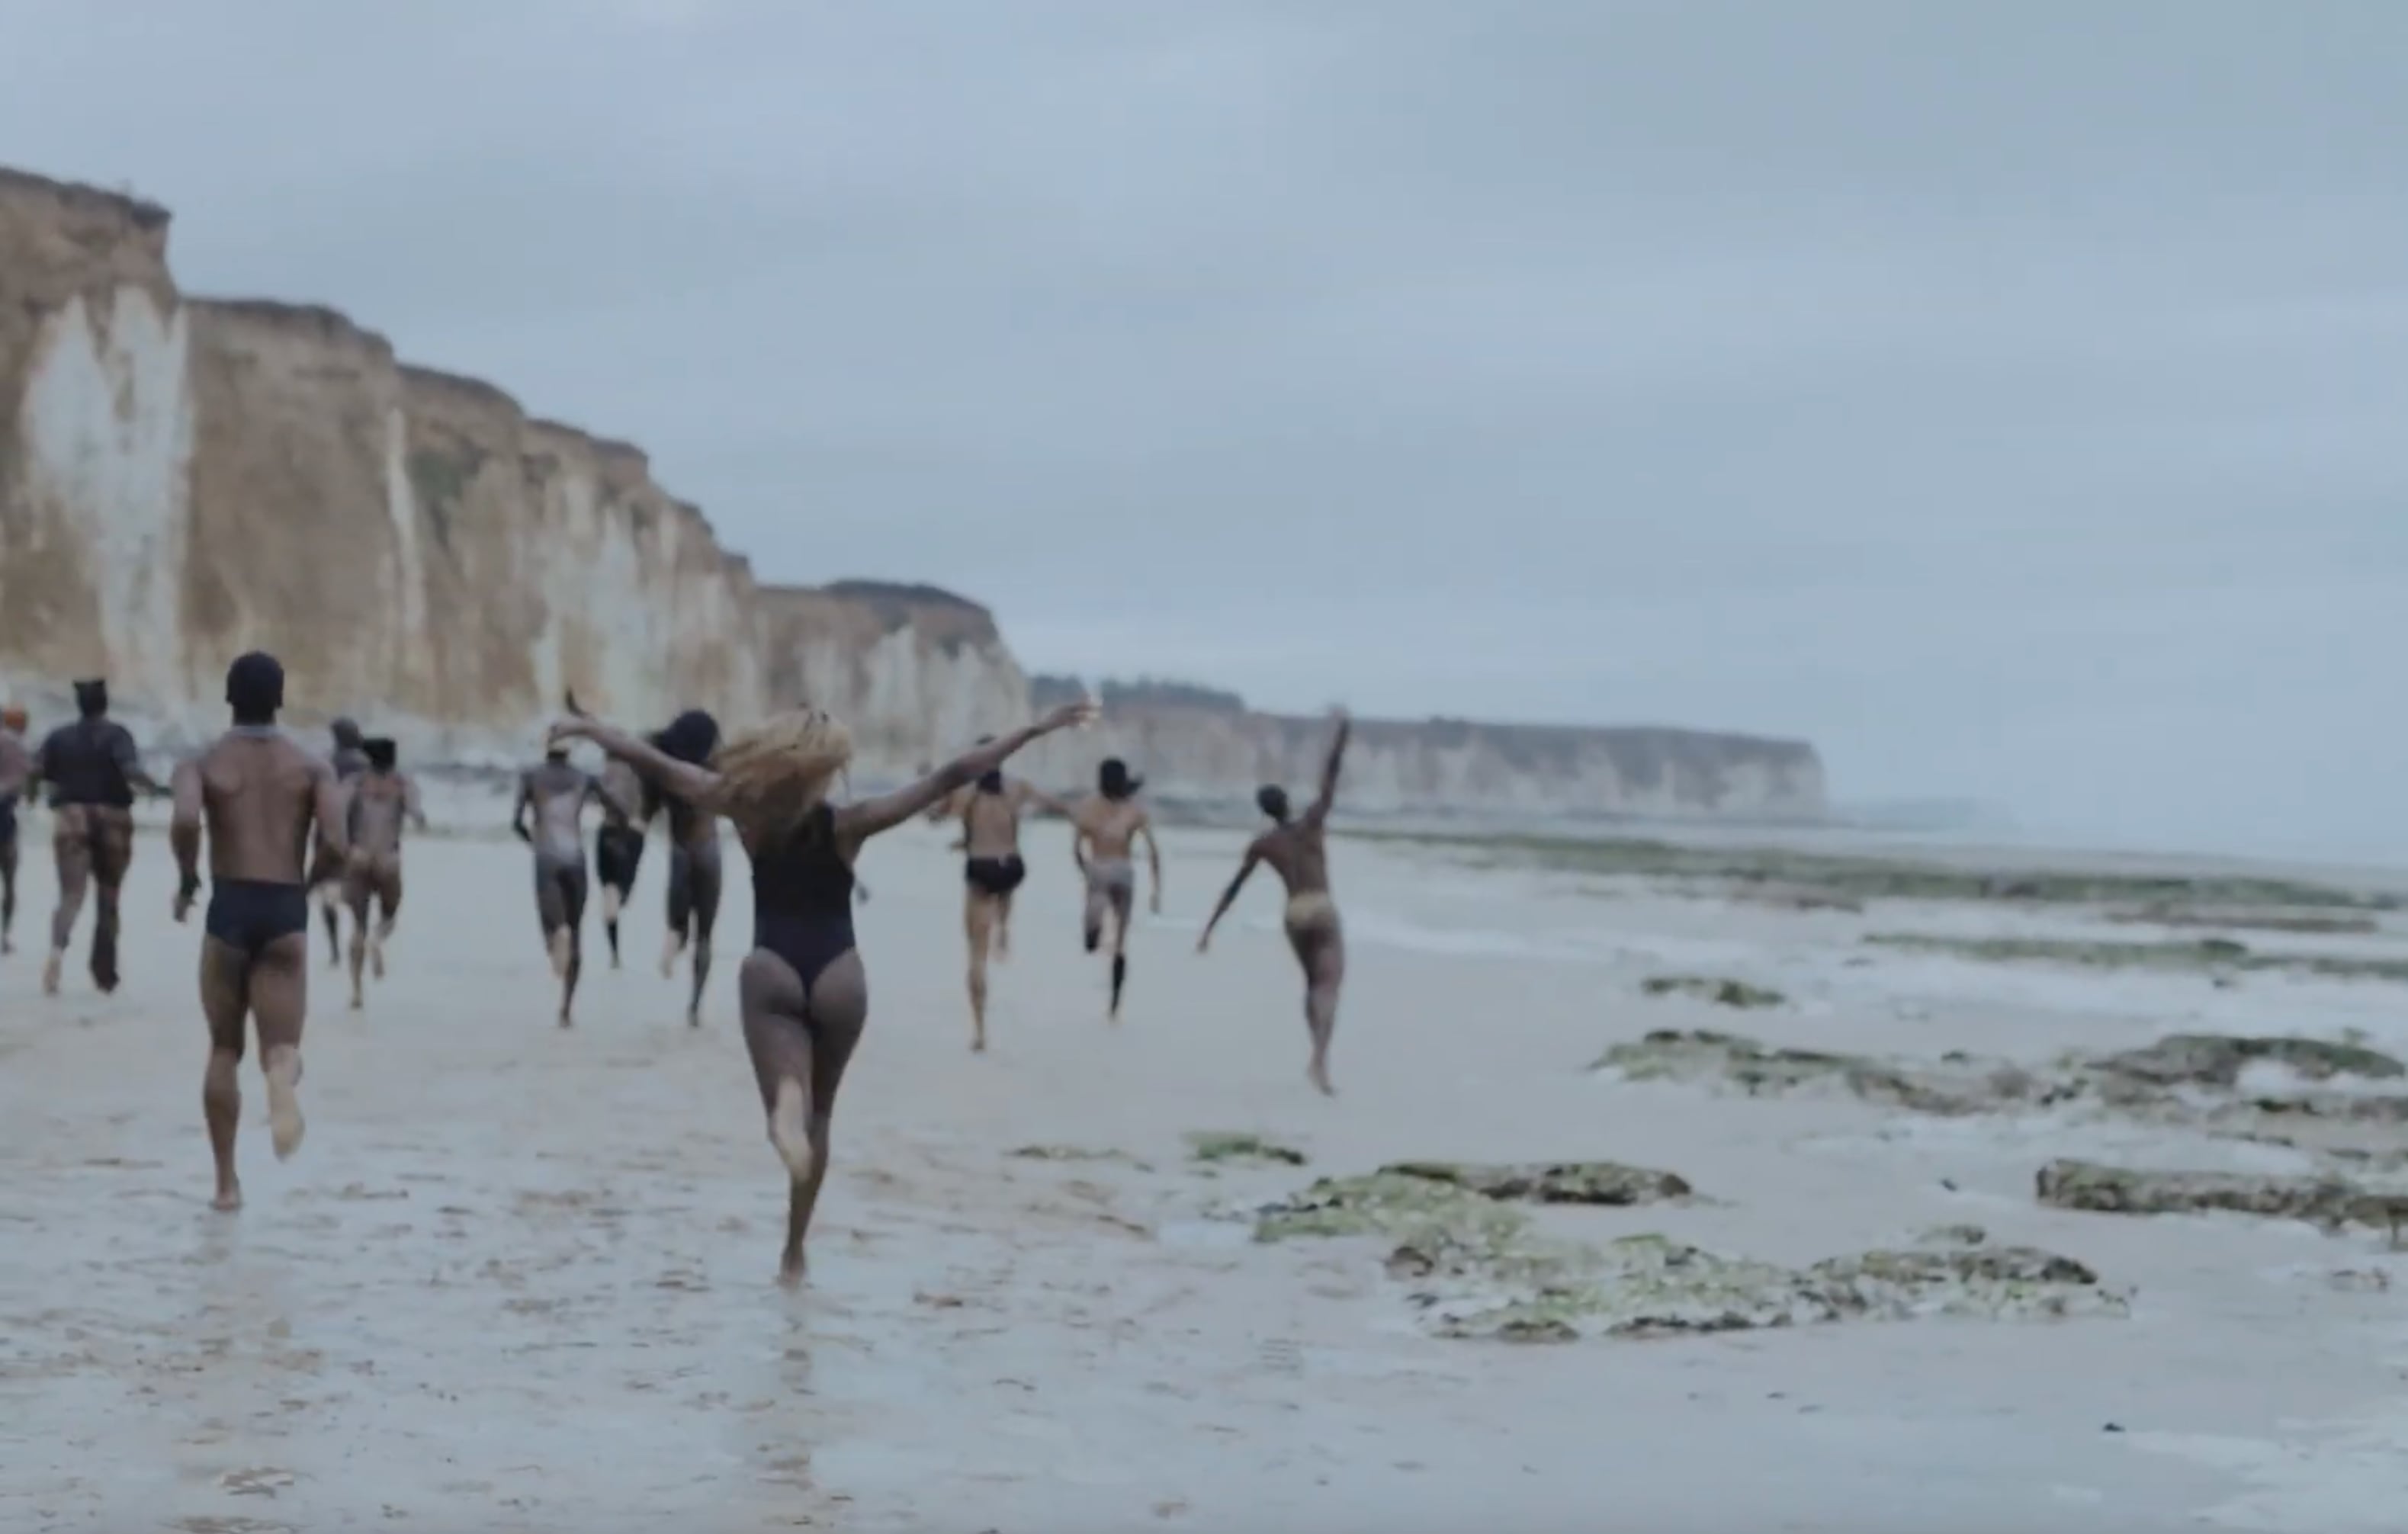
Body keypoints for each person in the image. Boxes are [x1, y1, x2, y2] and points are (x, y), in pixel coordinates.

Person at [547, 694, 1095, 1284]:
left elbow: (652, 763)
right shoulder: (852, 822)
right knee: (824, 1116)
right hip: (841, 974)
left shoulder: (743, 808)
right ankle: (795, 1250)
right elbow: (953, 774)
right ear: (830, 767)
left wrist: (587, 727)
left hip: (772, 967)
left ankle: (785, 1103)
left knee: (789, 1090)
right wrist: (1035, 729)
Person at [169, 653, 348, 1210]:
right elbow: (339, 845)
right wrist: (307, 883)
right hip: (284, 906)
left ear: (228, 698)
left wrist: (189, 876)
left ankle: (225, 1185)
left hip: (229, 905)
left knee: (223, 1047)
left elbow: (182, 819)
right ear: (281, 699)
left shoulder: (201, 761)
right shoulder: (312, 765)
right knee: (283, 1047)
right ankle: (280, 1080)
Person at [1196, 708, 1352, 1096]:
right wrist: (1341, 737)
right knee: (1329, 985)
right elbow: (1330, 779)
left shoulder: (1264, 844)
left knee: (1311, 985)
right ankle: (1320, 1059)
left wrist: (1209, 929)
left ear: (1263, 811)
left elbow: (1235, 888)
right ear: (1287, 802)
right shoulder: (1312, 823)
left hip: (1295, 914)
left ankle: (1316, 1052)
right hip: (1321, 906)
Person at [30, 679, 162, 996]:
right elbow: (130, 770)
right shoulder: (118, 735)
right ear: (105, 704)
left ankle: (56, 954)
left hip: (71, 819)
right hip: (113, 819)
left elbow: (36, 772)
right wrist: (156, 788)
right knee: (109, 897)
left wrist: (31, 797)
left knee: (70, 896)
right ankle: (104, 975)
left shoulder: (58, 737)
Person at [942, 740, 1074, 1051]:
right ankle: (1004, 923)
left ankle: (979, 1030)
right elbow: (1056, 806)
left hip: (980, 867)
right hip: (1011, 866)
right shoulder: (1018, 788)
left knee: (975, 954)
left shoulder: (965, 793)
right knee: (1006, 883)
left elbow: (937, 813)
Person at [512, 739, 629, 1027]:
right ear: (570, 751)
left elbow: (516, 823)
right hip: (576, 859)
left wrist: (533, 841)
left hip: (547, 859)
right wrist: (615, 837)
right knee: (577, 934)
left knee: (551, 923)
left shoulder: (530, 777)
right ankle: (566, 1008)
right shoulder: (584, 777)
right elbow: (619, 811)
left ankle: (556, 938)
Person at [1064, 757, 1162, 1021]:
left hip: (1099, 868)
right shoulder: (1134, 810)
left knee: (1093, 920)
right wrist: (1156, 890)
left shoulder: (1088, 807)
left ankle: (1093, 932)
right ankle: (1115, 1006)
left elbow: (1076, 848)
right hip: (1124, 871)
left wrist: (1084, 870)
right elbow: (1153, 852)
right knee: (1121, 941)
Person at [650, 712, 725, 1025]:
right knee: (705, 936)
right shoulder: (717, 772)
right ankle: (695, 1006)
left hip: (681, 854)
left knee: (677, 923)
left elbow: (646, 811)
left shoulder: (670, 777)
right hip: (710, 853)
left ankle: (672, 942)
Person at [340, 737, 425, 1011]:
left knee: (356, 927)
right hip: (388, 860)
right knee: (389, 915)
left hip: (359, 858)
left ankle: (356, 992)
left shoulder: (355, 783)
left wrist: (345, 848)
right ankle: (378, 938)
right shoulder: (402, 784)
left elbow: (336, 815)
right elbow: (417, 815)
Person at [311, 717, 371, 969]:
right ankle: (360, 939)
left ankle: (335, 950)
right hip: (362, 836)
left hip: (328, 836)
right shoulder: (368, 765)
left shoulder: (325, 764)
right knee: (359, 894)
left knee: (327, 894)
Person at [592, 756, 647, 969]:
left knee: (610, 892)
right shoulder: (638, 771)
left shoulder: (607, 772)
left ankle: (615, 955)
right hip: (633, 834)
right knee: (622, 893)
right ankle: (616, 953)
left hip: (608, 833)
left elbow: (599, 798)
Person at [0, 706, 30, 955]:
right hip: (4, 824)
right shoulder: (13, 744)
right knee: (8, 882)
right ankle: (3, 934)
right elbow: (19, 781)